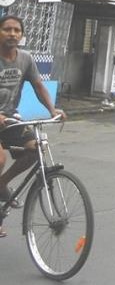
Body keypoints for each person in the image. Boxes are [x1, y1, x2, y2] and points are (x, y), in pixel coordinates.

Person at [0, 15, 65, 237]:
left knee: (37, 148)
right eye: (7, 29)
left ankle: (2, 184)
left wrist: (52, 109)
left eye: (16, 30)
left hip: (10, 119)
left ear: (21, 35)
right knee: (0, 159)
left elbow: (38, 86)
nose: (12, 33)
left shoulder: (25, 58)